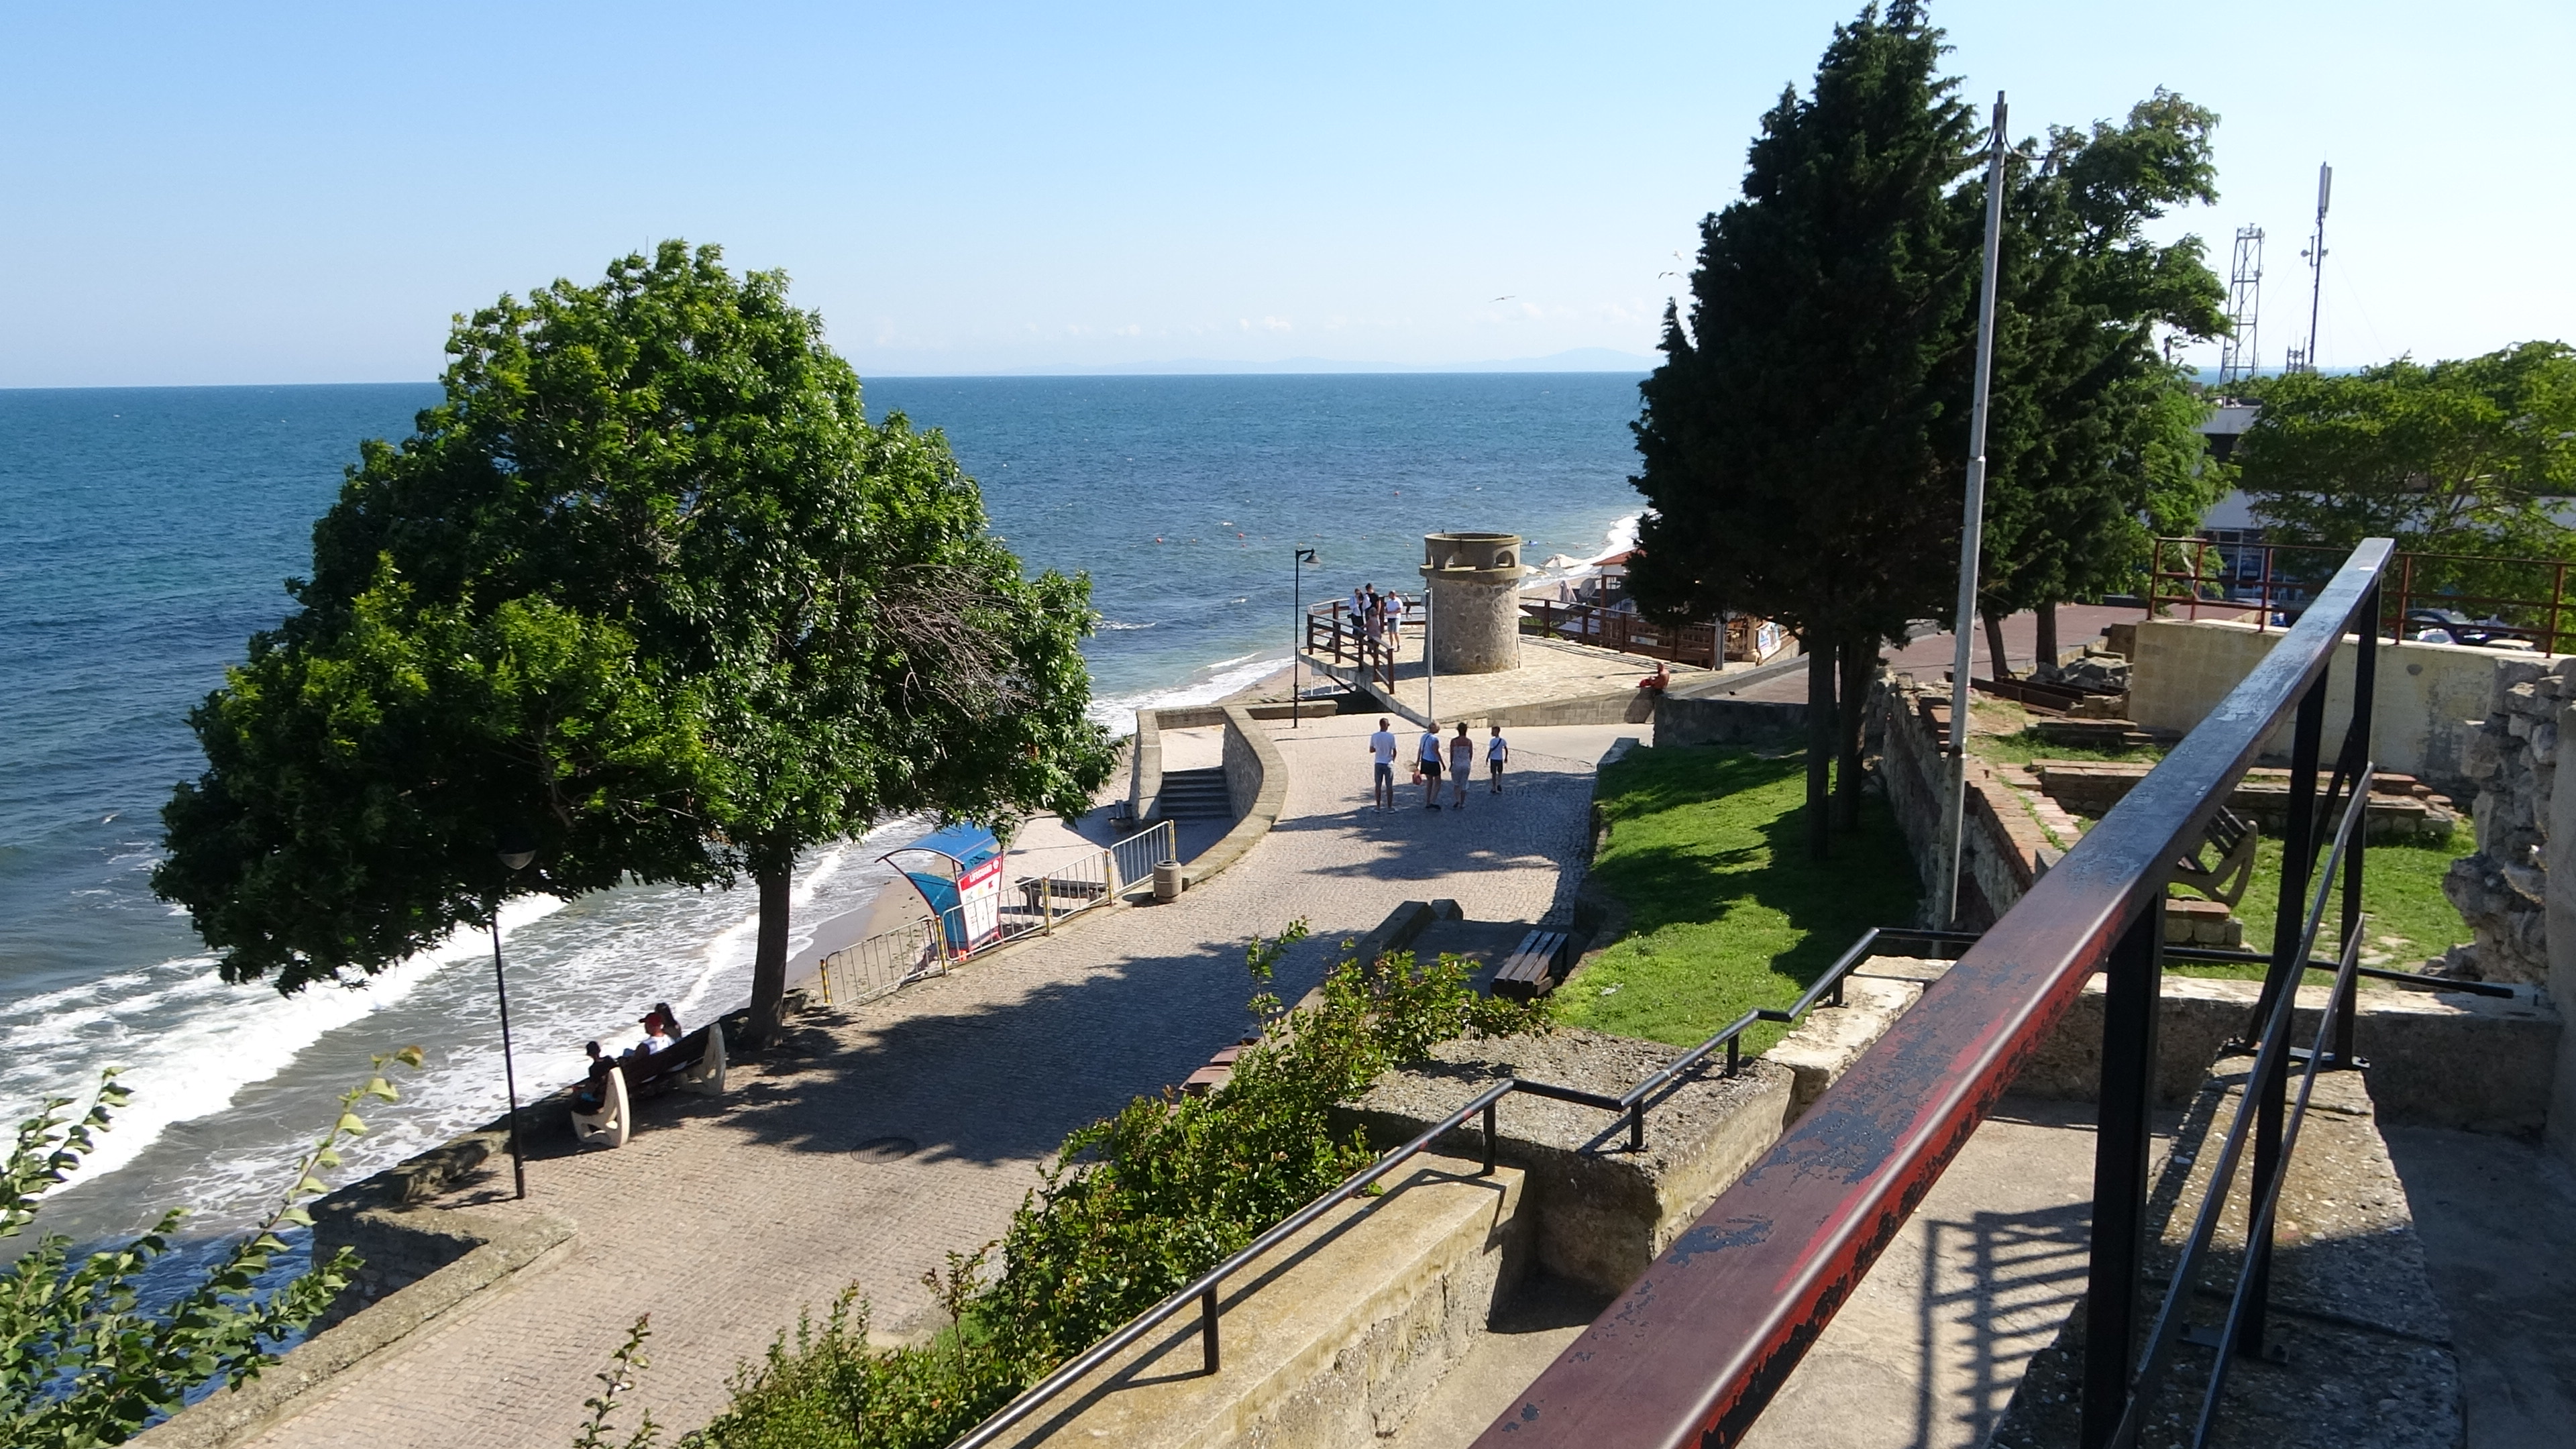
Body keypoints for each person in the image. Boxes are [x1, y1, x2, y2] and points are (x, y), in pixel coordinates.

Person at [572, 1041, 614, 1113]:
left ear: (589, 1054)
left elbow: (593, 1087)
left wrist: (581, 1090)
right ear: (599, 1050)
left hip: (603, 1097)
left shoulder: (593, 1069)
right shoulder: (609, 1060)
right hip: (617, 1089)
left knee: (578, 1096)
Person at [1368, 716, 1399, 811]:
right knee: (1389, 786)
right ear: (1386, 725)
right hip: (1388, 763)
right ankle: (1389, 807)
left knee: (1378, 786)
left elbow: (1371, 750)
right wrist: (1392, 760)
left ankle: (1378, 807)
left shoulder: (1374, 736)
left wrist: (1378, 748)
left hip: (1378, 762)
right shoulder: (1391, 736)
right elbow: (1395, 751)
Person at [1416, 724, 1444, 810]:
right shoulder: (1434, 739)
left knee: (1429, 781)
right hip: (1433, 762)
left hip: (1425, 761)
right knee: (1438, 782)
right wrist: (1443, 763)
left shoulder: (1423, 737)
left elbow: (1420, 749)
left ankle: (1428, 801)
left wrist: (1417, 762)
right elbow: (1436, 752)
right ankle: (1433, 800)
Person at [1448, 722, 1474, 808]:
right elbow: (1471, 754)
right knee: (1464, 783)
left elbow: (1451, 754)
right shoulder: (1469, 742)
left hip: (1457, 764)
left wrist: (1451, 763)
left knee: (1456, 783)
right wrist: (1469, 762)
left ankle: (1457, 800)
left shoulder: (1454, 741)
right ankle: (1462, 803)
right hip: (1466, 764)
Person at [1487, 724, 1509, 794]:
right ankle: (1499, 784)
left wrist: (1487, 757)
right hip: (1500, 759)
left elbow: (1491, 750)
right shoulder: (1502, 740)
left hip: (1493, 759)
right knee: (1500, 773)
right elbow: (1506, 749)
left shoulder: (1492, 741)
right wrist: (1506, 757)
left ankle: (1494, 788)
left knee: (1493, 774)